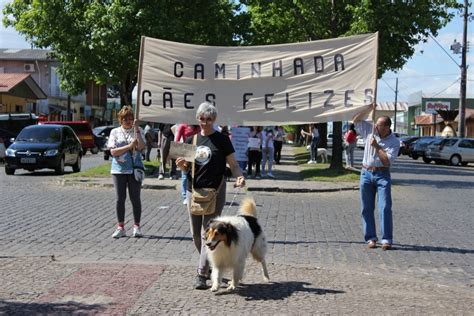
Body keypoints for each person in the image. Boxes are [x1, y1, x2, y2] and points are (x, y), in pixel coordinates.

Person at [175, 102, 246, 290]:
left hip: (215, 191)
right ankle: (213, 266)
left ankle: (201, 273)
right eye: (201, 119)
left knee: (207, 233)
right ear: (197, 119)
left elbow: (233, 164)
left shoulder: (222, 140)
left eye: (208, 119)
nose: (204, 122)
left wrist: (239, 176)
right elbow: (185, 168)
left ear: (214, 120)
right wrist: (182, 165)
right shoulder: (192, 139)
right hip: (194, 190)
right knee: (195, 234)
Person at [360, 116, 400, 251]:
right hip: (366, 173)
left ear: (387, 127)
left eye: (379, 125)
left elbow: (387, 161)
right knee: (366, 208)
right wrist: (369, 107)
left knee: (385, 207)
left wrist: (377, 146)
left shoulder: (394, 142)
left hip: (382, 174)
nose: (376, 127)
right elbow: (355, 119)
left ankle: (386, 239)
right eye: (376, 124)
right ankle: (371, 238)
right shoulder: (370, 132)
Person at [107, 106, 146, 238]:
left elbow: (141, 147)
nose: (128, 121)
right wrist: (129, 146)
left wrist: (137, 130)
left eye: (130, 119)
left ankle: (137, 226)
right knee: (120, 198)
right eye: (125, 119)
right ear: (120, 120)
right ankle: (121, 226)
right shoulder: (115, 132)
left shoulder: (138, 131)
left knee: (135, 198)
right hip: (119, 170)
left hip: (135, 169)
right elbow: (113, 151)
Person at [175, 123, 200, 205]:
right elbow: (177, 140)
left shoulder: (198, 126)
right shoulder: (182, 126)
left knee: (196, 173)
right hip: (187, 150)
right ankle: (185, 196)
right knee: (185, 174)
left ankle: (195, 193)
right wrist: (177, 152)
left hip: (198, 150)